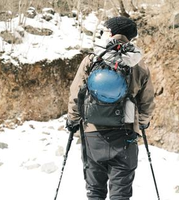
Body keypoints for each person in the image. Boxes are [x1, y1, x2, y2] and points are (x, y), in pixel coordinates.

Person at [66, 16, 155, 200]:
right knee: (120, 195)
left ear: (112, 33)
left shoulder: (91, 60)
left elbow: (76, 93)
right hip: (125, 136)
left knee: (95, 192)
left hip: (93, 135)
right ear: (131, 37)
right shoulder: (139, 66)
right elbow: (146, 103)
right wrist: (143, 124)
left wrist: (73, 120)